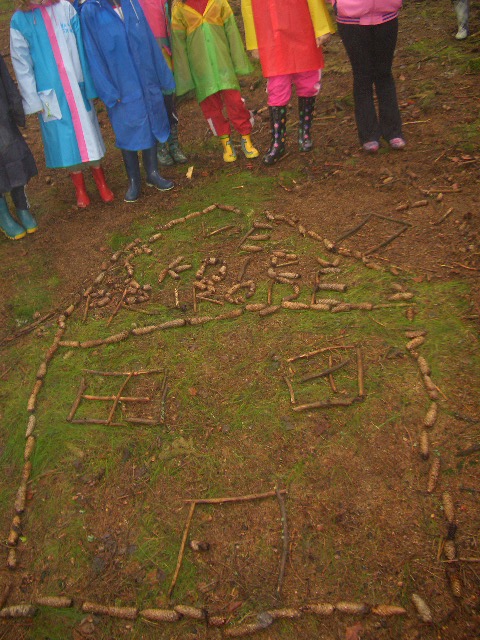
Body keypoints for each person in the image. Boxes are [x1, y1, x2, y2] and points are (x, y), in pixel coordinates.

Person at [10, 0, 114, 208]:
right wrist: (32, 99)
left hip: (77, 86)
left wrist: (90, 84)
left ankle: (101, 181)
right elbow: (21, 62)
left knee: (89, 133)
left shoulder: (65, 8)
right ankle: (80, 188)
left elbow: (82, 49)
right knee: (65, 140)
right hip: (51, 93)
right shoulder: (20, 20)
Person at [79, 0, 176, 202]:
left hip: (145, 75)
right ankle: (134, 180)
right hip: (121, 82)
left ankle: (152, 173)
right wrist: (108, 90)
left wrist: (163, 75)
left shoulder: (131, 3)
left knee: (150, 121)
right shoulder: (91, 10)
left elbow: (149, 39)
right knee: (126, 126)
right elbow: (93, 54)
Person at [241, 0, 335, 165]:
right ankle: (278, 141)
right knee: (277, 86)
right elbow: (248, 8)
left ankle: (305, 133)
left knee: (308, 80)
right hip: (271, 33)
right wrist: (254, 42)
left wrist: (321, 28)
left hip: (302, 25)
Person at [171, 0, 259, 163]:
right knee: (211, 108)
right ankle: (226, 143)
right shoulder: (179, 9)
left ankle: (246, 136)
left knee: (235, 102)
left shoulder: (218, 2)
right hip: (201, 69)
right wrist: (185, 76)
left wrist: (237, 60)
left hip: (223, 63)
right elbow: (179, 45)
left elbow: (232, 31)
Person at [330, 0, 406, 153]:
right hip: (351, 18)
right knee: (362, 76)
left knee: (384, 73)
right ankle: (369, 135)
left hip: (387, 13)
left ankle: (393, 131)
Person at [137, 0, 188, 166]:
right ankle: (161, 145)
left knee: (169, 101)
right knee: (154, 102)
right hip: (145, 55)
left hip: (166, 53)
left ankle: (174, 143)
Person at [0, 54, 38, 240]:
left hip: (2, 118)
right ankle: (3, 216)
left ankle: (22, 207)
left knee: (14, 159)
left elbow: (6, 80)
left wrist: (16, 109)